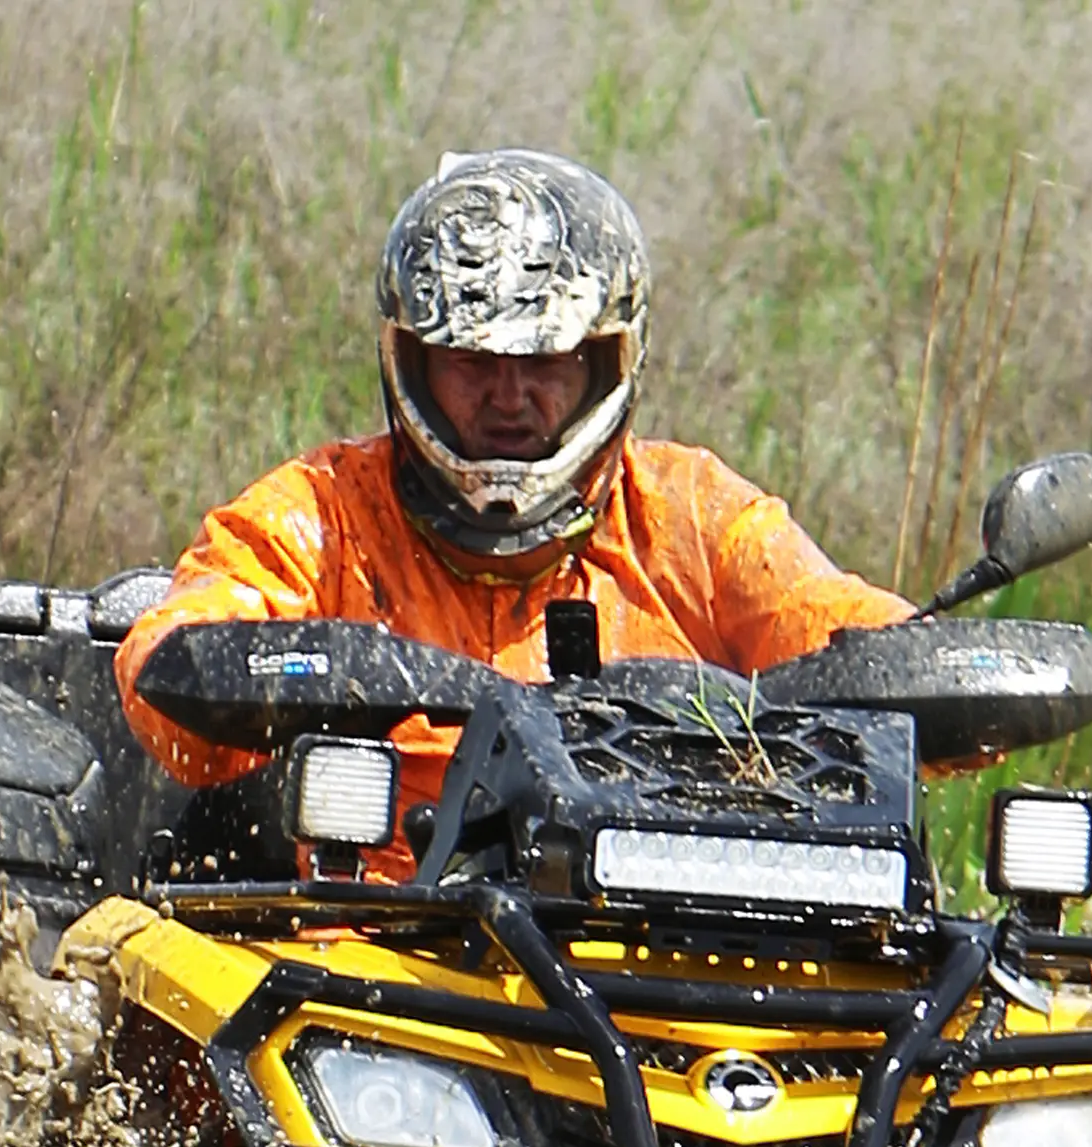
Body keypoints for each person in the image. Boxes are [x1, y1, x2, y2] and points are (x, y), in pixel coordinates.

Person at [115, 147, 913, 880]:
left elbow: (839, 624)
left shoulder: (693, 517)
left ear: (604, 361)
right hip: (370, 945)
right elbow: (168, 657)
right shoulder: (320, 514)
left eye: (542, 363)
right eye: (472, 361)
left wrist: (919, 668)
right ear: (414, 361)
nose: (507, 397)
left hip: (650, 947)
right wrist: (325, 671)